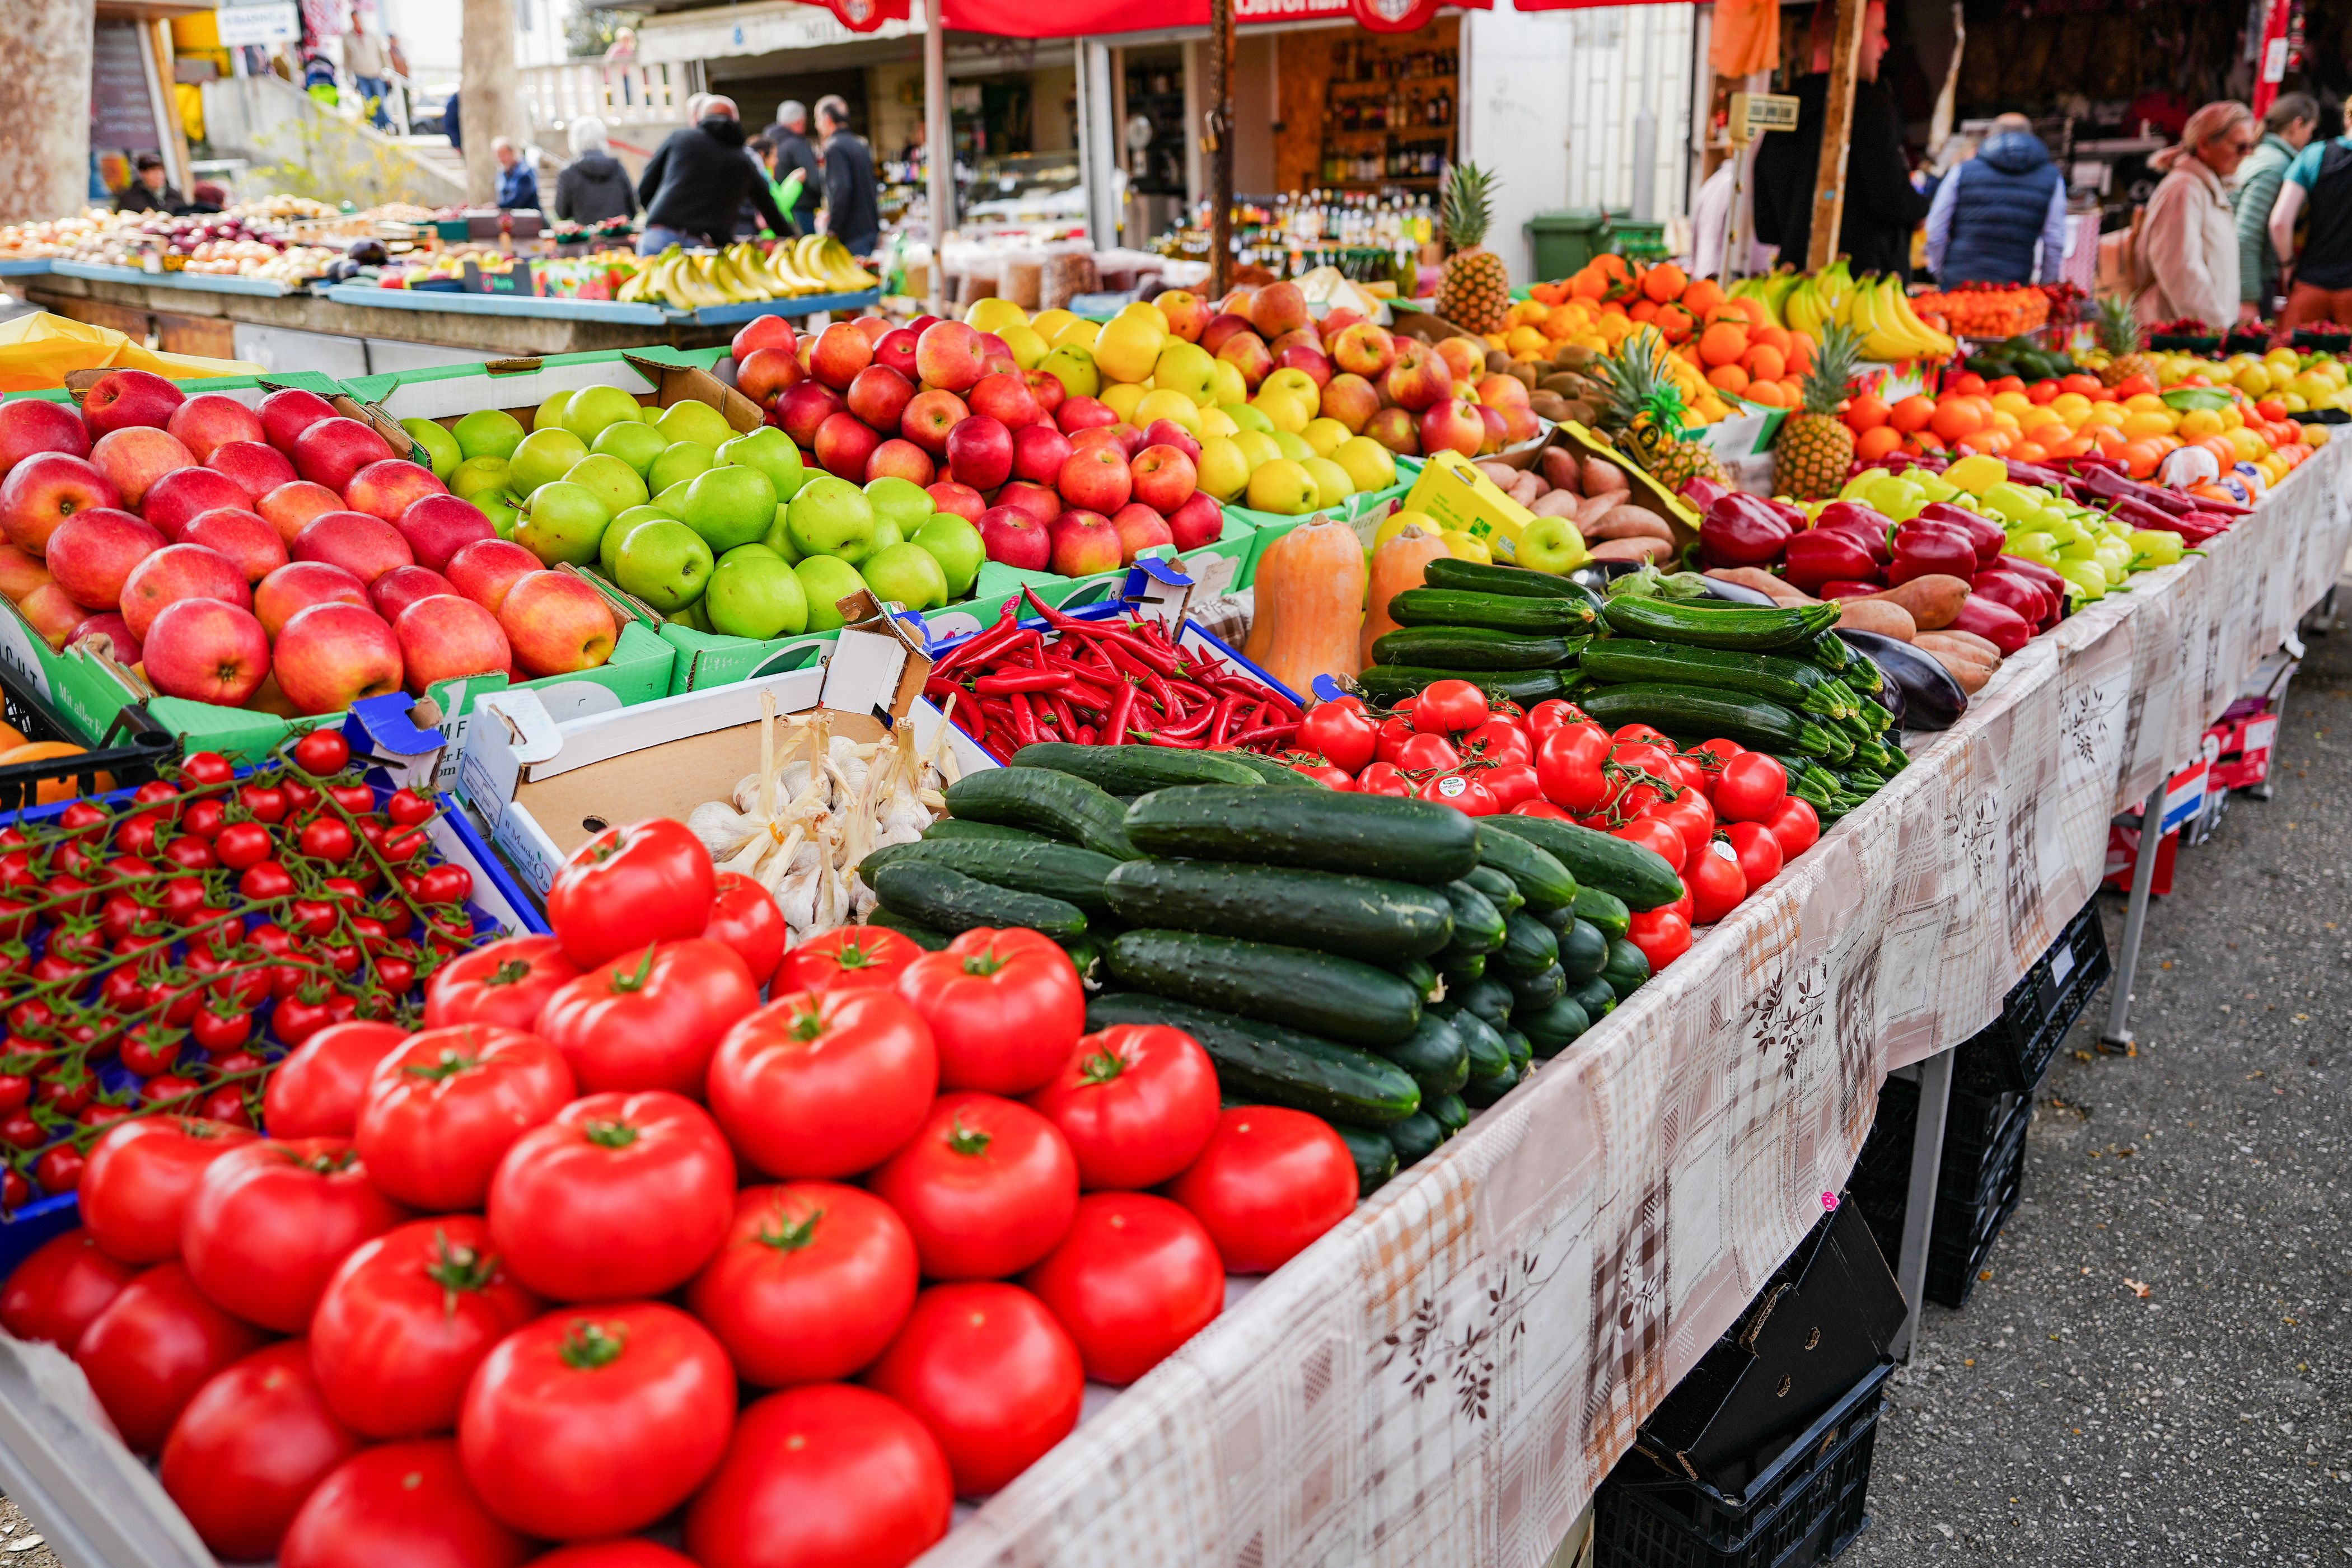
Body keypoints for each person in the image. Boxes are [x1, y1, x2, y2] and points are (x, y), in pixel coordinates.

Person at [1751, 0, 1928, 277]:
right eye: (1878, 32)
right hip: (1861, 293)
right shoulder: (1869, 105)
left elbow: (1766, 226)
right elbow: (1892, 200)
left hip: (1793, 289)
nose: (1885, 46)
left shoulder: (1784, 111)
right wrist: (1920, 206)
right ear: (1851, 35)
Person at [2126, 101, 2251, 330]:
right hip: (2176, 339)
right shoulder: (2184, 190)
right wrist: (2216, 329)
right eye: (2240, 146)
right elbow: (2182, 270)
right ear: (2204, 144)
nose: (2248, 154)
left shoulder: (2202, 187)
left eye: (2251, 146)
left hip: (2194, 338)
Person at [635, 95, 792, 254]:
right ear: (736, 120)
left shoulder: (681, 138)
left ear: (701, 118)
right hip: (702, 247)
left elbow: (646, 187)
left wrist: (660, 220)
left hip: (658, 237)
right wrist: (792, 239)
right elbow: (768, 208)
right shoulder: (744, 160)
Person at [1925, 114, 2066, 286]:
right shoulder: (2052, 178)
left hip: (1959, 284)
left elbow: (1936, 230)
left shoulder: (1962, 171)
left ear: (1991, 135)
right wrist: (2046, 284)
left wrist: (1939, 272)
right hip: (2012, 286)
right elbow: (2054, 240)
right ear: (2031, 136)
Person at [2266, 100, 2352, 335]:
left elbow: (2279, 223)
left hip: (2311, 285)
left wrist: (2287, 265)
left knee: (2288, 364)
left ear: (2347, 118)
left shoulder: (2316, 154)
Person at [2238, 93, 2318, 319]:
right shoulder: (2276, 165)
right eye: (2310, 131)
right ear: (2298, 124)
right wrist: (2249, 298)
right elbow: (2246, 235)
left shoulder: (2261, 155)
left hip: (2247, 276)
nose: (2308, 139)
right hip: (2253, 280)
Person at [815, 95, 881, 258]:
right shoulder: (860, 144)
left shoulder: (834, 148)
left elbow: (842, 189)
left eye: (817, 119)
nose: (817, 126)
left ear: (828, 119)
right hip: (869, 229)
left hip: (852, 235)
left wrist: (832, 228)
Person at [554, 117, 638, 224]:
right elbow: (633, 207)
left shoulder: (568, 173)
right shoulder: (618, 167)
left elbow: (562, 213)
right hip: (619, 236)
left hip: (586, 237)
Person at [763, 100, 824, 238]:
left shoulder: (769, 143)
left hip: (779, 214)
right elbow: (814, 179)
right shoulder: (797, 145)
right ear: (800, 121)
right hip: (802, 211)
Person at [115, 152, 215, 216]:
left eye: (161, 171)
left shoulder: (174, 194)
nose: (159, 175)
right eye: (153, 171)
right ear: (142, 174)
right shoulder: (130, 198)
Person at [344, 21, 390, 129]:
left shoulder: (372, 35)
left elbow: (382, 54)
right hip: (360, 75)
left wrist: (387, 71)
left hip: (376, 74)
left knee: (381, 102)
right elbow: (346, 59)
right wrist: (348, 77)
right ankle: (374, 127)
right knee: (368, 103)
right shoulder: (347, 38)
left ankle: (386, 125)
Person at [493, 139, 539, 210]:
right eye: (498, 155)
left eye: (503, 155)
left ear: (513, 153)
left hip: (529, 218)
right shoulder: (502, 174)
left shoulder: (525, 172)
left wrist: (497, 206)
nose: (501, 159)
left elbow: (518, 201)